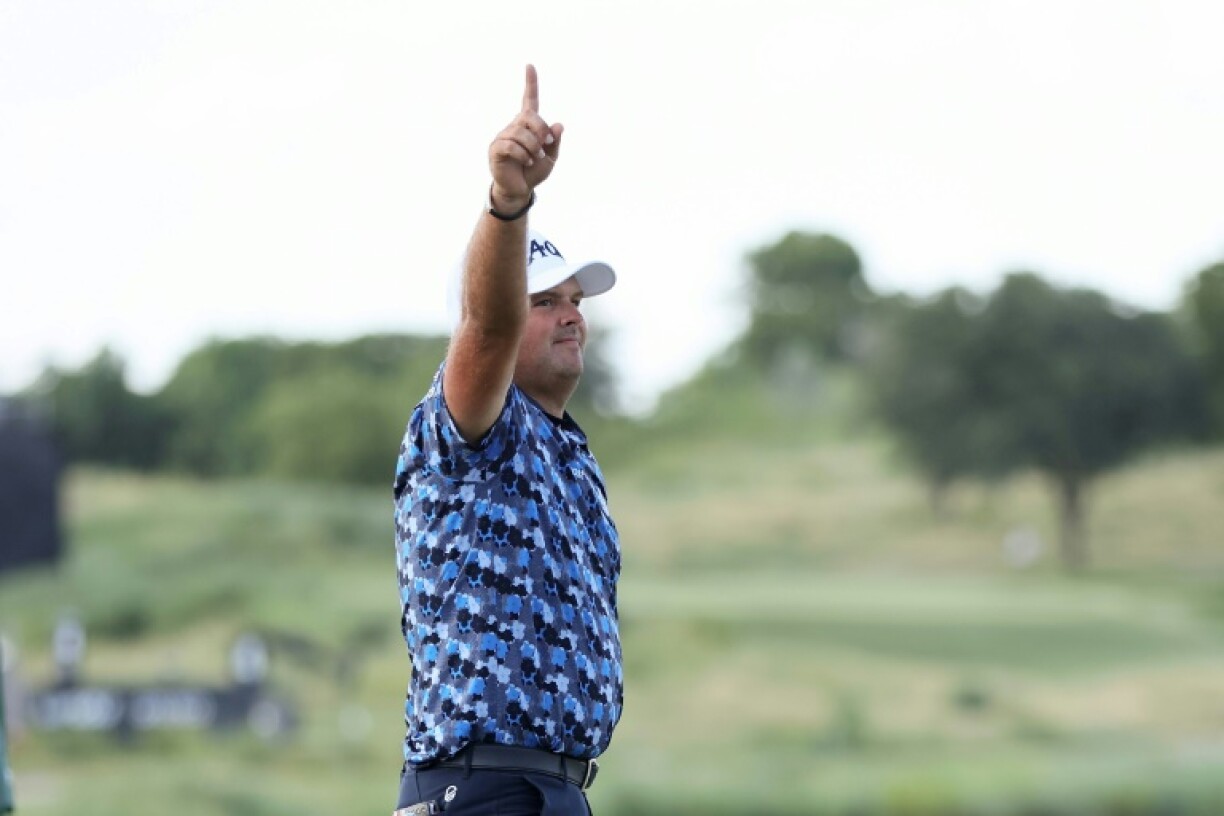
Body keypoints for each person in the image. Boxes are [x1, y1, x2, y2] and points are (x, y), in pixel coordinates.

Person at [391, 64, 622, 816]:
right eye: (545, 302)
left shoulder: (573, 455)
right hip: (478, 789)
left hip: (556, 787)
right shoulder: (469, 425)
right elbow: (487, 328)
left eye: (574, 301)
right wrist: (509, 201)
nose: (571, 315)